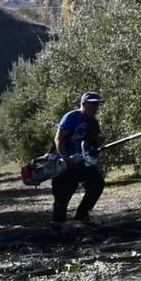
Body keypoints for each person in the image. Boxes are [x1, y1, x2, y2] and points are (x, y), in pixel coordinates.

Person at [51, 91, 106, 226]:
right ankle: (57, 227)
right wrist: (65, 158)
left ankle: (82, 214)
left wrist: (98, 140)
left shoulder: (93, 122)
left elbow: (94, 143)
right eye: (92, 104)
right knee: (62, 198)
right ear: (83, 103)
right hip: (65, 164)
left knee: (97, 184)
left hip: (83, 162)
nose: (94, 107)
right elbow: (59, 138)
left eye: (97, 105)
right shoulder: (71, 117)